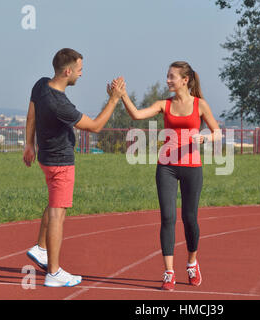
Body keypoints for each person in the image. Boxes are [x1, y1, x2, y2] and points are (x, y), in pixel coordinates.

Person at [110, 61, 221, 291]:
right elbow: (136, 115)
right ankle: (169, 271)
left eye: (172, 77)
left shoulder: (200, 105)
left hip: (192, 167)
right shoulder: (164, 104)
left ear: (185, 80)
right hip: (166, 167)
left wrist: (205, 139)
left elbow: (217, 131)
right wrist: (122, 96)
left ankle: (191, 263)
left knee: (190, 219)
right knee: (168, 218)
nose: (168, 80)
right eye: (167, 76)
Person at [23, 48, 125, 287]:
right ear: (67, 71)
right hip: (61, 163)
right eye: (79, 70)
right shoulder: (61, 105)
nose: (81, 74)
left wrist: (29, 144)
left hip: (46, 159)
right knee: (58, 213)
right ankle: (54, 272)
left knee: (52, 204)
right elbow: (96, 126)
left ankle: (40, 248)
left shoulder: (40, 85)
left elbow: (31, 117)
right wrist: (114, 99)